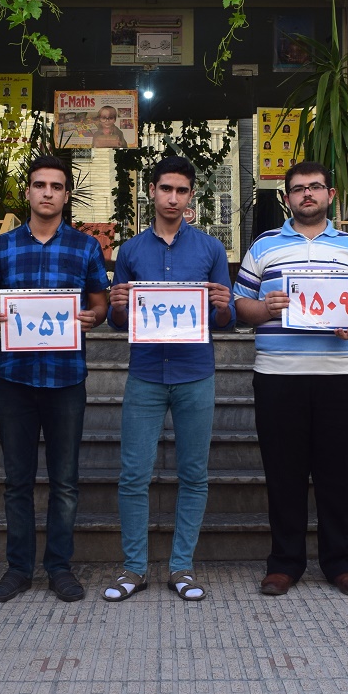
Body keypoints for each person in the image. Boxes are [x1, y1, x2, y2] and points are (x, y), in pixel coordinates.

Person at [233, 161, 348, 598]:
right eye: (298, 189)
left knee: (338, 474)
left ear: (330, 195)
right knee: (284, 475)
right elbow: (240, 306)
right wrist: (266, 308)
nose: (307, 194)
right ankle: (284, 563)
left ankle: (341, 563)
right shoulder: (263, 247)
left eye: (315, 187)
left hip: (340, 377)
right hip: (278, 377)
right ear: (287, 198)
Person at [0, 155, 110, 603]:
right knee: (16, 480)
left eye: (56, 186)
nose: (47, 192)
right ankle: (18, 569)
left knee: (64, 482)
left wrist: (93, 316)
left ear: (66, 195)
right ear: (28, 191)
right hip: (15, 377)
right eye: (39, 185)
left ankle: (59, 568)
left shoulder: (85, 247)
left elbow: (99, 304)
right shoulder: (2, 247)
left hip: (66, 377)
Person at [102, 156, 235, 602]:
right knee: (133, 475)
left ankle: (182, 568)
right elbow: (119, 323)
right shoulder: (131, 252)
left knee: (194, 474)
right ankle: (134, 568)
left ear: (191, 195)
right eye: (166, 189)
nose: (173, 198)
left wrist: (223, 305)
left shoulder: (211, 250)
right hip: (145, 373)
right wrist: (117, 305)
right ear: (152, 192)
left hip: (196, 373)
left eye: (181, 190)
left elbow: (225, 321)